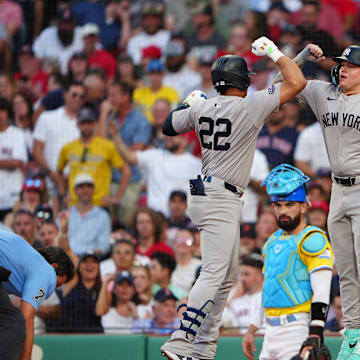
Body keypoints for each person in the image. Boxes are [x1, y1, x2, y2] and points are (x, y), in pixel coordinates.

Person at [159, 34, 307, 360]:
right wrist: (272, 51)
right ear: (242, 82)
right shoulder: (248, 105)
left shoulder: (203, 107)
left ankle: (202, 350)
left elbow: (168, 126)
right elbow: (295, 82)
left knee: (226, 279)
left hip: (206, 191)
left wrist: (189, 103)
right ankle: (180, 341)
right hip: (220, 196)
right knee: (214, 272)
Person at [288, 43, 360, 360]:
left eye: (352, 65)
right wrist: (302, 58)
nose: (344, 68)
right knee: (345, 268)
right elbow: (283, 84)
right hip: (337, 189)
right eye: (342, 63)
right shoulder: (324, 93)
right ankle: (354, 335)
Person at [242, 164, 333, 360]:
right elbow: (269, 287)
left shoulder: (313, 239)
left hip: (297, 329)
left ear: (303, 205)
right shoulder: (272, 240)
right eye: (278, 205)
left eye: (290, 204)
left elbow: (322, 289)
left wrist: (315, 331)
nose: (283, 210)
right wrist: (252, 328)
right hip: (269, 332)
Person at [0, 232, 74, 360]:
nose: (55, 288)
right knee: (14, 323)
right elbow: (27, 319)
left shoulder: (25, 262)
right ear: (54, 266)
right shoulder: (46, 272)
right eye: (58, 283)